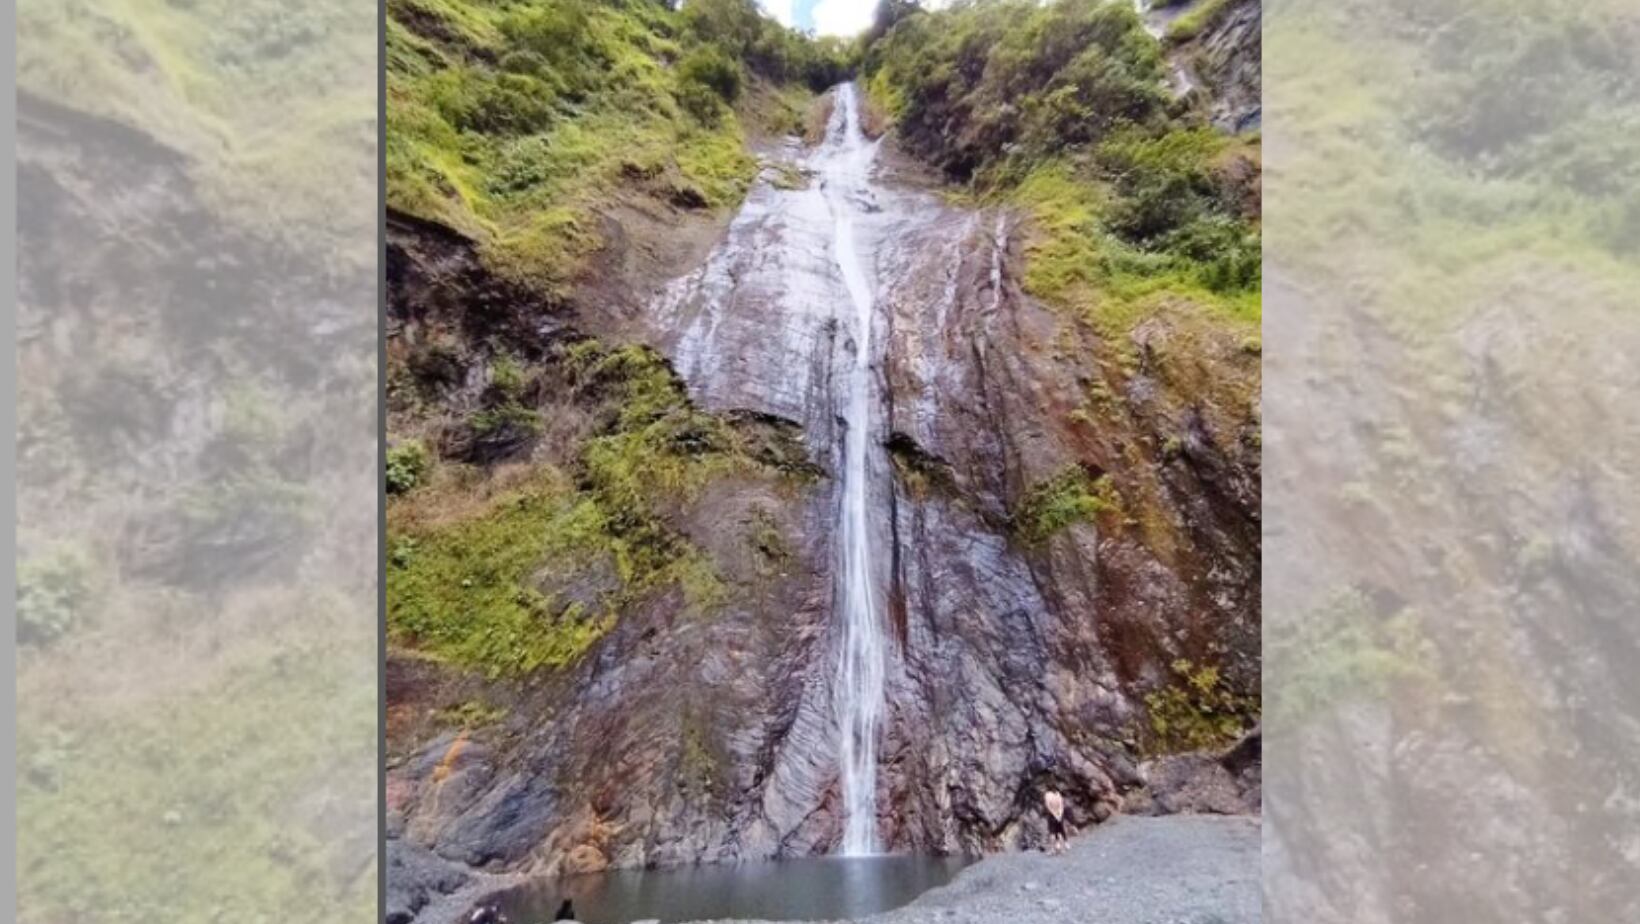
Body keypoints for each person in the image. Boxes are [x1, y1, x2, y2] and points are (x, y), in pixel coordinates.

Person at [1044, 788, 1069, 855]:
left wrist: (1054, 815)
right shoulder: (1058, 794)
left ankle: (1052, 849)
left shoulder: (1047, 795)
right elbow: (1061, 805)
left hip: (1052, 816)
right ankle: (1061, 849)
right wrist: (1060, 815)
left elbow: (1048, 806)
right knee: (1059, 831)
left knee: (1052, 833)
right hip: (1059, 815)